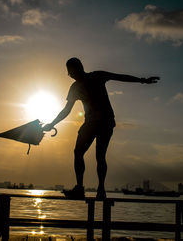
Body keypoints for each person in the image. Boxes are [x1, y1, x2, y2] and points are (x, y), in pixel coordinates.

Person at [43, 57, 159, 200]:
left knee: (99, 156)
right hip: (93, 123)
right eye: (68, 73)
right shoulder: (75, 87)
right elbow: (66, 110)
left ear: (77, 69)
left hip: (104, 122)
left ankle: (100, 189)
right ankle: (81, 188)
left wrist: (142, 80)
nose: (70, 75)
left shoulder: (97, 76)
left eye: (70, 72)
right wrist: (52, 123)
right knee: (79, 152)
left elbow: (120, 77)